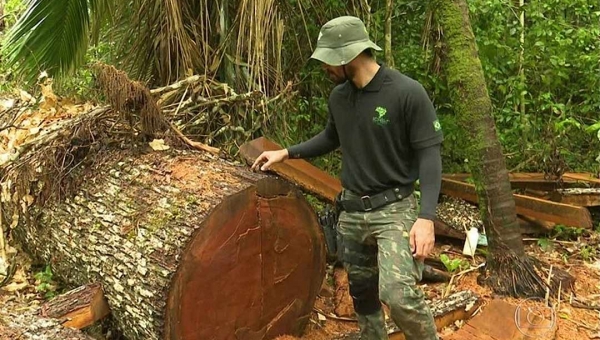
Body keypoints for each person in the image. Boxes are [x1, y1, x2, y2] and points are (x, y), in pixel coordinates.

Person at [251, 16, 443, 340]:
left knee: (397, 294)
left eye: (328, 59)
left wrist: (425, 219)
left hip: (393, 210)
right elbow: (330, 137)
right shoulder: (340, 97)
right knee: (363, 292)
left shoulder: (407, 93)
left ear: (348, 55)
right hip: (352, 213)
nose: (324, 66)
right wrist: (286, 152)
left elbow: (430, 156)